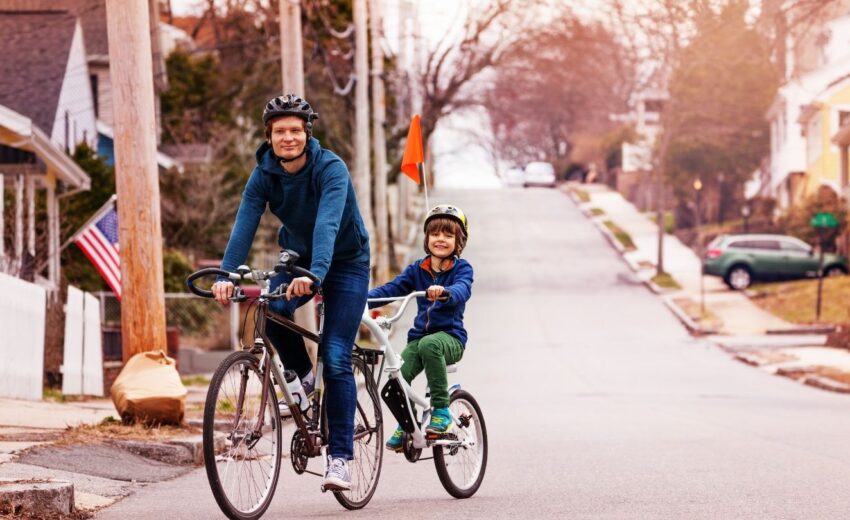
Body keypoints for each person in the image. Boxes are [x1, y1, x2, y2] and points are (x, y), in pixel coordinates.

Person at [212, 94, 370, 491]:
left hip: (346, 263)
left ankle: (340, 459)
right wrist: (227, 274)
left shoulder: (330, 168)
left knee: (335, 357)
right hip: (298, 258)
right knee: (272, 310)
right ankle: (301, 381)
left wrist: (316, 275)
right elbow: (245, 221)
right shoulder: (263, 173)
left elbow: (328, 225)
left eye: (295, 130)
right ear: (269, 136)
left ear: (307, 133)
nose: (288, 137)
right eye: (280, 131)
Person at [367, 204, 473, 451]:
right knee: (396, 376)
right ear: (427, 238)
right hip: (419, 340)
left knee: (430, 344)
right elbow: (391, 290)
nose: (441, 239)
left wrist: (446, 292)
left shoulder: (462, 269)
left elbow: (462, 289)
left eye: (448, 235)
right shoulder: (418, 269)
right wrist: (358, 298)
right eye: (435, 234)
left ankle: (441, 410)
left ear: (458, 241)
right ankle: (408, 424)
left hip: (450, 339)